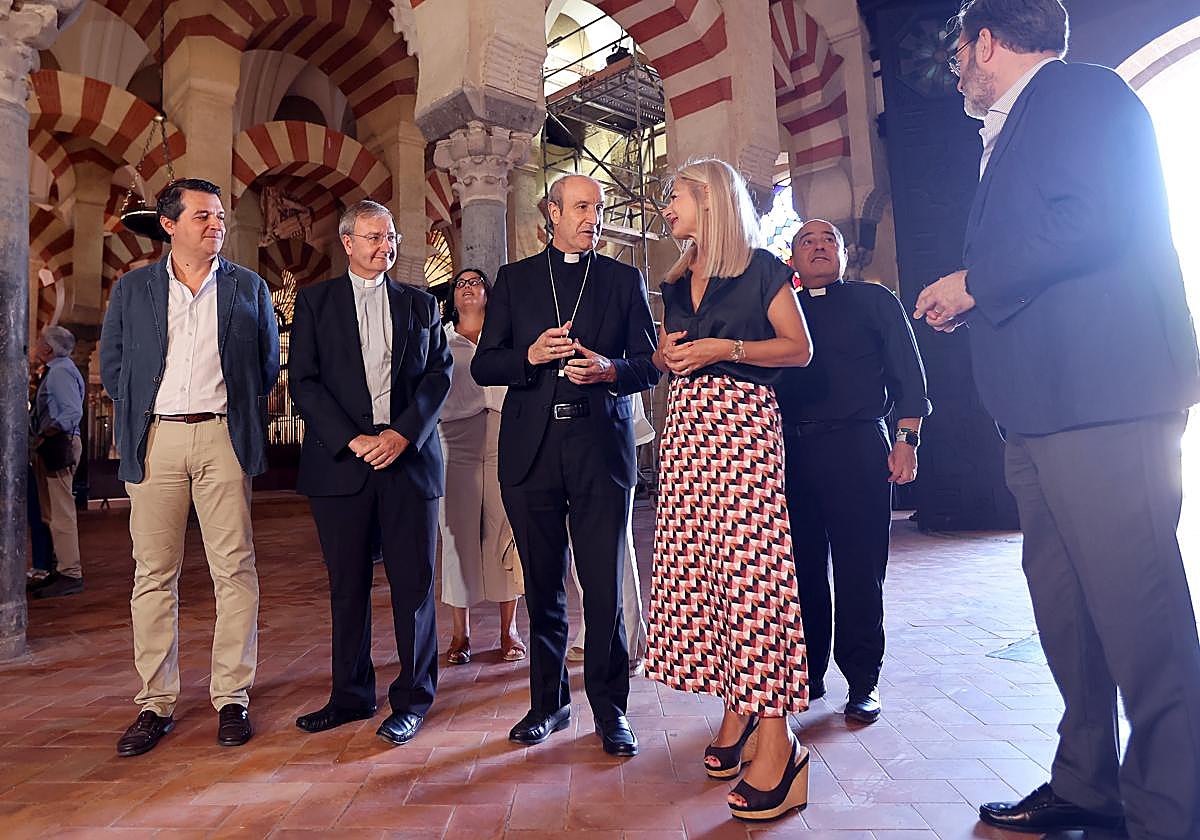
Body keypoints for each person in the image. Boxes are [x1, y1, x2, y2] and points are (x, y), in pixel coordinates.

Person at [913, 2, 1200, 837]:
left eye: (960, 49)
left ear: (988, 42)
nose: (957, 65)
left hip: (1103, 401)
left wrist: (974, 281)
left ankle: (1173, 811)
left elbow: (1092, 220)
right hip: (1042, 410)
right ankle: (1087, 783)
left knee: (1140, 616)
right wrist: (982, 291)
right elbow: (1050, 246)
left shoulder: (1083, 94)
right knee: (1069, 615)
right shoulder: (1021, 123)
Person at [646, 158, 813, 821]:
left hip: (741, 431)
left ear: (710, 200)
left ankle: (780, 741)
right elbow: (668, 350)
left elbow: (798, 349)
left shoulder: (764, 270)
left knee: (754, 579)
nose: (667, 206)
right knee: (709, 578)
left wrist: (725, 348)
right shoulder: (674, 278)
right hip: (687, 432)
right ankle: (737, 708)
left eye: (675, 195)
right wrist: (671, 356)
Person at [472, 174, 659, 757]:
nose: (593, 217)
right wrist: (527, 356)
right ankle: (547, 705)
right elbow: (485, 365)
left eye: (598, 208)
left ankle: (611, 710)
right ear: (551, 212)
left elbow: (650, 365)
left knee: (603, 588)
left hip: (600, 447)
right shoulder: (516, 280)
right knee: (543, 588)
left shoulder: (624, 280)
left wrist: (609, 369)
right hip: (532, 451)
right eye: (581, 207)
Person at [99, 178, 280, 757]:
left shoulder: (249, 287)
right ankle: (155, 702)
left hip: (223, 437)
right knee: (153, 573)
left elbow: (267, 363)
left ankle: (232, 696)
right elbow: (114, 361)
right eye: (203, 216)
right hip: (158, 441)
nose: (216, 225)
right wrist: (135, 424)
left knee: (235, 570)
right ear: (170, 225)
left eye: (221, 216)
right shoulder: (133, 290)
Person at [290, 200, 451, 747]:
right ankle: (351, 696)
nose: (386, 246)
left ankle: (412, 699)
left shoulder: (421, 303)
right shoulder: (315, 303)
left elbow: (437, 376)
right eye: (374, 237)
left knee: (414, 586)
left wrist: (402, 434)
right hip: (342, 462)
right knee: (348, 586)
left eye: (391, 237)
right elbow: (305, 381)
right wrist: (352, 438)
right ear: (348, 241)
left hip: (408, 459)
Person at [778, 220, 931, 723]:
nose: (819, 247)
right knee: (799, 572)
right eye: (808, 241)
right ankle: (809, 674)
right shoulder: (780, 309)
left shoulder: (874, 301)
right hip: (790, 455)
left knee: (860, 570)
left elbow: (910, 378)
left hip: (858, 446)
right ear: (792, 257)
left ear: (844, 255)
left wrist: (906, 441)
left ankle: (864, 681)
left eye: (830, 242)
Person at [439, 267, 525, 666]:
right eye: (461, 284)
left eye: (476, 283)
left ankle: (508, 631)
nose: (468, 288)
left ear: (488, 294)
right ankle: (461, 633)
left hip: (502, 432)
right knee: (457, 534)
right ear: (453, 298)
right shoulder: (441, 340)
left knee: (503, 530)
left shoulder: (505, 337)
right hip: (454, 438)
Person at [566, 393, 654, 676]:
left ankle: (628, 641)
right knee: (575, 537)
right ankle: (591, 632)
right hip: (563, 425)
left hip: (611, 411)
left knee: (615, 538)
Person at [28, 325, 86, 599]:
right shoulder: (59, 369)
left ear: (49, 348)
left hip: (58, 445)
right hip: (54, 444)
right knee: (52, 512)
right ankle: (60, 568)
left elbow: (70, 413)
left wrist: (44, 437)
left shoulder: (61, 371)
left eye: (40, 341)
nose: (37, 345)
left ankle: (70, 573)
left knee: (61, 512)